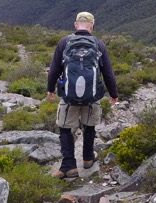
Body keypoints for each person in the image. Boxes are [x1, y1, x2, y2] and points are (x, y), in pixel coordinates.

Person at [47, 11, 118, 178]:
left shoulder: (64, 42)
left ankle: (68, 166)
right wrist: (113, 94)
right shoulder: (98, 44)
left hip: (68, 96)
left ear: (75, 24)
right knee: (89, 126)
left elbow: (54, 70)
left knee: (65, 127)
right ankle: (87, 158)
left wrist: (50, 89)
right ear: (92, 26)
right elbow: (108, 73)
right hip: (92, 96)